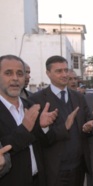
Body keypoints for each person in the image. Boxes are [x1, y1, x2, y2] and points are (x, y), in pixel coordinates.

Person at [29, 55, 93, 186]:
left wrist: (89, 127)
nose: (64, 74)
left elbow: (90, 123)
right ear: (48, 73)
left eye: (66, 70)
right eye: (59, 71)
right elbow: (38, 138)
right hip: (54, 169)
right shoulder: (37, 100)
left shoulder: (79, 97)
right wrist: (58, 127)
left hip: (78, 167)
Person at [0, 54, 52, 185]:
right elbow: (4, 150)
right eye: (8, 73)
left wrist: (43, 127)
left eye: (20, 73)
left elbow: (42, 146)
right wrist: (24, 128)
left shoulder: (30, 105)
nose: (15, 78)